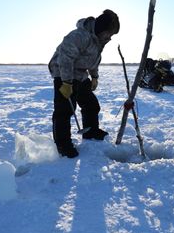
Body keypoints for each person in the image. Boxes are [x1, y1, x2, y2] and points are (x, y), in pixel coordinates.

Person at [48, 10, 120, 158]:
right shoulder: (79, 36)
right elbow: (65, 58)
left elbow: (92, 60)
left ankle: (91, 131)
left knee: (91, 104)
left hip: (80, 74)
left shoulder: (98, 41)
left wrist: (94, 76)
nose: (109, 38)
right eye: (109, 33)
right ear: (101, 28)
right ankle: (63, 145)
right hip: (63, 71)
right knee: (65, 109)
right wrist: (66, 82)